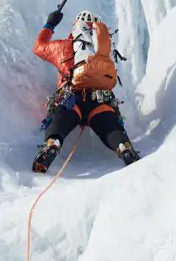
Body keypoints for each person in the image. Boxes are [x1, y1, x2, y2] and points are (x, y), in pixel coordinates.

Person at [31, 9, 141, 173]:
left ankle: (53, 142)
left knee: (60, 120)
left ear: (75, 27)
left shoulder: (63, 47)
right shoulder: (104, 49)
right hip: (100, 101)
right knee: (110, 128)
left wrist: (50, 24)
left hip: (71, 98)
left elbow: (38, 47)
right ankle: (123, 146)